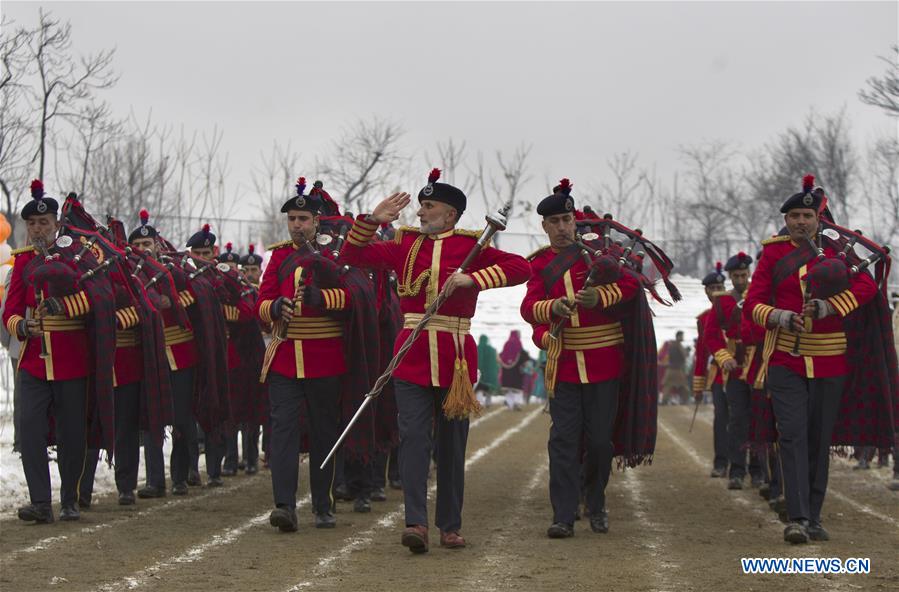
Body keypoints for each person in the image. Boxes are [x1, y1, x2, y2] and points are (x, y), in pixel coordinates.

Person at [338, 168, 530, 553]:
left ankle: (450, 525)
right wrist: (372, 221)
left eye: (430, 206)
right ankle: (416, 523)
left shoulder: (471, 247)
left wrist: (474, 279)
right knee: (412, 441)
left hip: (455, 359)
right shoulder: (403, 245)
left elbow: (521, 268)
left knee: (452, 447)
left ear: (451, 214)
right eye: (421, 206)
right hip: (411, 356)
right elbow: (352, 254)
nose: (421, 213)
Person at [744, 174, 894, 544]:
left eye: (806, 217)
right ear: (785, 220)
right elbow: (752, 305)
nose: (799, 222)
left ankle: (813, 514)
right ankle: (795, 518)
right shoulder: (773, 254)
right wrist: (778, 316)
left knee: (817, 439)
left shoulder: (841, 251)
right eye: (793, 216)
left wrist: (829, 307)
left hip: (830, 361)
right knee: (792, 436)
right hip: (784, 360)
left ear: (818, 219)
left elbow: (867, 285)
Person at [520, 178, 664, 538]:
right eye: (554, 223)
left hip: (604, 364)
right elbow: (528, 307)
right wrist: (553, 308)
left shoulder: (600, 257)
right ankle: (563, 516)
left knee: (600, 441)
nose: (562, 228)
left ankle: (595, 500)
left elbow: (632, 286)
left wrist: (599, 298)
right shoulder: (539, 265)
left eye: (566, 221)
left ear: (575, 221)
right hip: (564, 365)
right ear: (544, 227)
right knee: (564, 441)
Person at [257, 177, 358, 532]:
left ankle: (323, 503)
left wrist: (322, 299)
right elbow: (261, 302)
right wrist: (275, 306)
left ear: (317, 221)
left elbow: (352, 300)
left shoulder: (335, 254)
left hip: (325, 356)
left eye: (303, 219)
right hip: (285, 356)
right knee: (282, 432)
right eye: (292, 220)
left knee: (323, 433)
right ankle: (284, 505)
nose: (297, 225)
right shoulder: (280, 256)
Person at [4, 180, 98, 522]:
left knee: (72, 432)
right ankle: (41, 502)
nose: (37, 229)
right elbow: (10, 310)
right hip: (33, 360)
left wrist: (64, 305)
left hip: (72, 357)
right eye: (31, 224)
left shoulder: (79, 255)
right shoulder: (23, 261)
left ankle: (70, 500)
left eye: (43, 223)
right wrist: (21, 326)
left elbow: (95, 299)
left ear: (56, 224)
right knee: (29, 427)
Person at [703, 251, 765, 490]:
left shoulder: (759, 296)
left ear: (749, 273)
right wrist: (722, 356)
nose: (741, 279)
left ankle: (758, 470)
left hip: (758, 364)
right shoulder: (722, 300)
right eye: (736, 275)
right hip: (736, 368)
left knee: (759, 419)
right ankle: (737, 470)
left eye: (744, 274)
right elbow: (711, 335)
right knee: (738, 419)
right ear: (730, 276)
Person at [694, 263, 729, 478]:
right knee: (721, 419)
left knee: (743, 420)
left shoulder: (738, 307)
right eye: (712, 288)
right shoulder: (704, 318)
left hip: (742, 373)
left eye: (720, 287)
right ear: (706, 291)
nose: (716, 291)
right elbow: (701, 353)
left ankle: (747, 466)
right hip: (718, 376)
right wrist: (698, 384)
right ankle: (721, 462)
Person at [499, 330, 527, 410]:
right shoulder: (518, 343)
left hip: (506, 371)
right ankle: (516, 403)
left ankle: (509, 404)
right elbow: (523, 356)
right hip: (516, 371)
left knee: (508, 389)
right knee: (516, 389)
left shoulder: (506, 344)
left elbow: (502, 355)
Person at [659, 331, 690, 405]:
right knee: (684, 386)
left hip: (670, 369)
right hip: (677, 370)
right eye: (682, 336)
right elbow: (684, 355)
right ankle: (685, 401)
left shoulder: (671, 345)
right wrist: (687, 351)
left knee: (667, 386)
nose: (683, 337)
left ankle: (664, 401)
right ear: (678, 336)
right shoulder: (678, 345)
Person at [475, 334, 499, 408]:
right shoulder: (492, 350)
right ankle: (488, 403)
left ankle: (479, 403)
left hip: (479, 371)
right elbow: (495, 362)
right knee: (489, 388)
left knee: (479, 388)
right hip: (490, 373)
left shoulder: (476, 348)